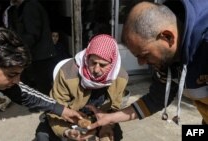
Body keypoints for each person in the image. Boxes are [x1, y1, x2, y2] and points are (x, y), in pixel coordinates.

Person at [87, 0, 208, 130]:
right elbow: (156, 98)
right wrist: (110, 117)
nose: (141, 63)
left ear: (167, 37)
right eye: (138, 56)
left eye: (144, 55)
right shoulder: (169, 54)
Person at [0, 26, 82, 141]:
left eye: (19, 74)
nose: (17, 80)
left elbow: (27, 95)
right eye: (12, 75)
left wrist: (62, 110)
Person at [35, 34, 129, 141]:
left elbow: (114, 109)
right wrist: (66, 132)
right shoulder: (67, 73)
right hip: (68, 117)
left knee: (115, 135)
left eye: (103, 65)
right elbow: (55, 107)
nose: (96, 70)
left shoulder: (120, 77)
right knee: (42, 136)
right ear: (87, 57)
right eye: (93, 62)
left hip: (99, 117)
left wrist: (106, 127)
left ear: (112, 64)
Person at [4, 0, 58, 95]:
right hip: (38, 54)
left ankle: (48, 107)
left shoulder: (30, 6)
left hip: (41, 55)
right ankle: (45, 106)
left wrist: (18, 49)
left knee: (43, 86)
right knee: (41, 84)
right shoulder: (21, 8)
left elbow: (32, 34)